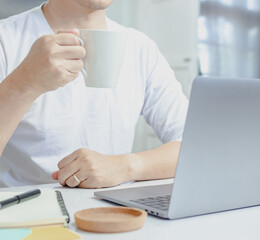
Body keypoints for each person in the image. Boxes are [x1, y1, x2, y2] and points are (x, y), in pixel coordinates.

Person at [0, 0, 188, 188]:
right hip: (30, 212)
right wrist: (24, 83)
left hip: (116, 211)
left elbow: (196, 146)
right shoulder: (6, 40)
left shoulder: (141, 48)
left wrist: (125, 167)